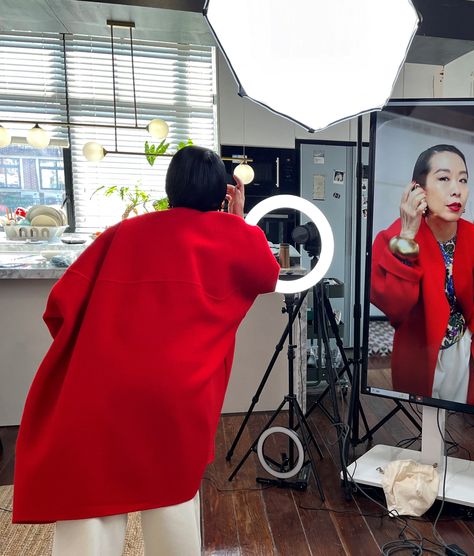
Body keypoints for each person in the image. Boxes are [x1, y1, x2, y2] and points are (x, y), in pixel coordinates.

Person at [12, 146, 280, 555]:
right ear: (223, 194)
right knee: (171, 499)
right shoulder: (235, 238)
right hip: (179, 397)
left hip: (101, 390)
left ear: (170, 189)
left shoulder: (124, 233)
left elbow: (59, 308)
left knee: (94, 502)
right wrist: (236, 220)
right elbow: (266, 273)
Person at [370, 144, 474, 405]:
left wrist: (473, 330)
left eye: (463, 179)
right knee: (417, 420)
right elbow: (395, 307)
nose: (456, 189)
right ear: (417, 189)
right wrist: (407, 236)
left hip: (461, 348)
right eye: (444, 178)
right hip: (417, 352)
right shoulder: (391, 238)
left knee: (456, 419)